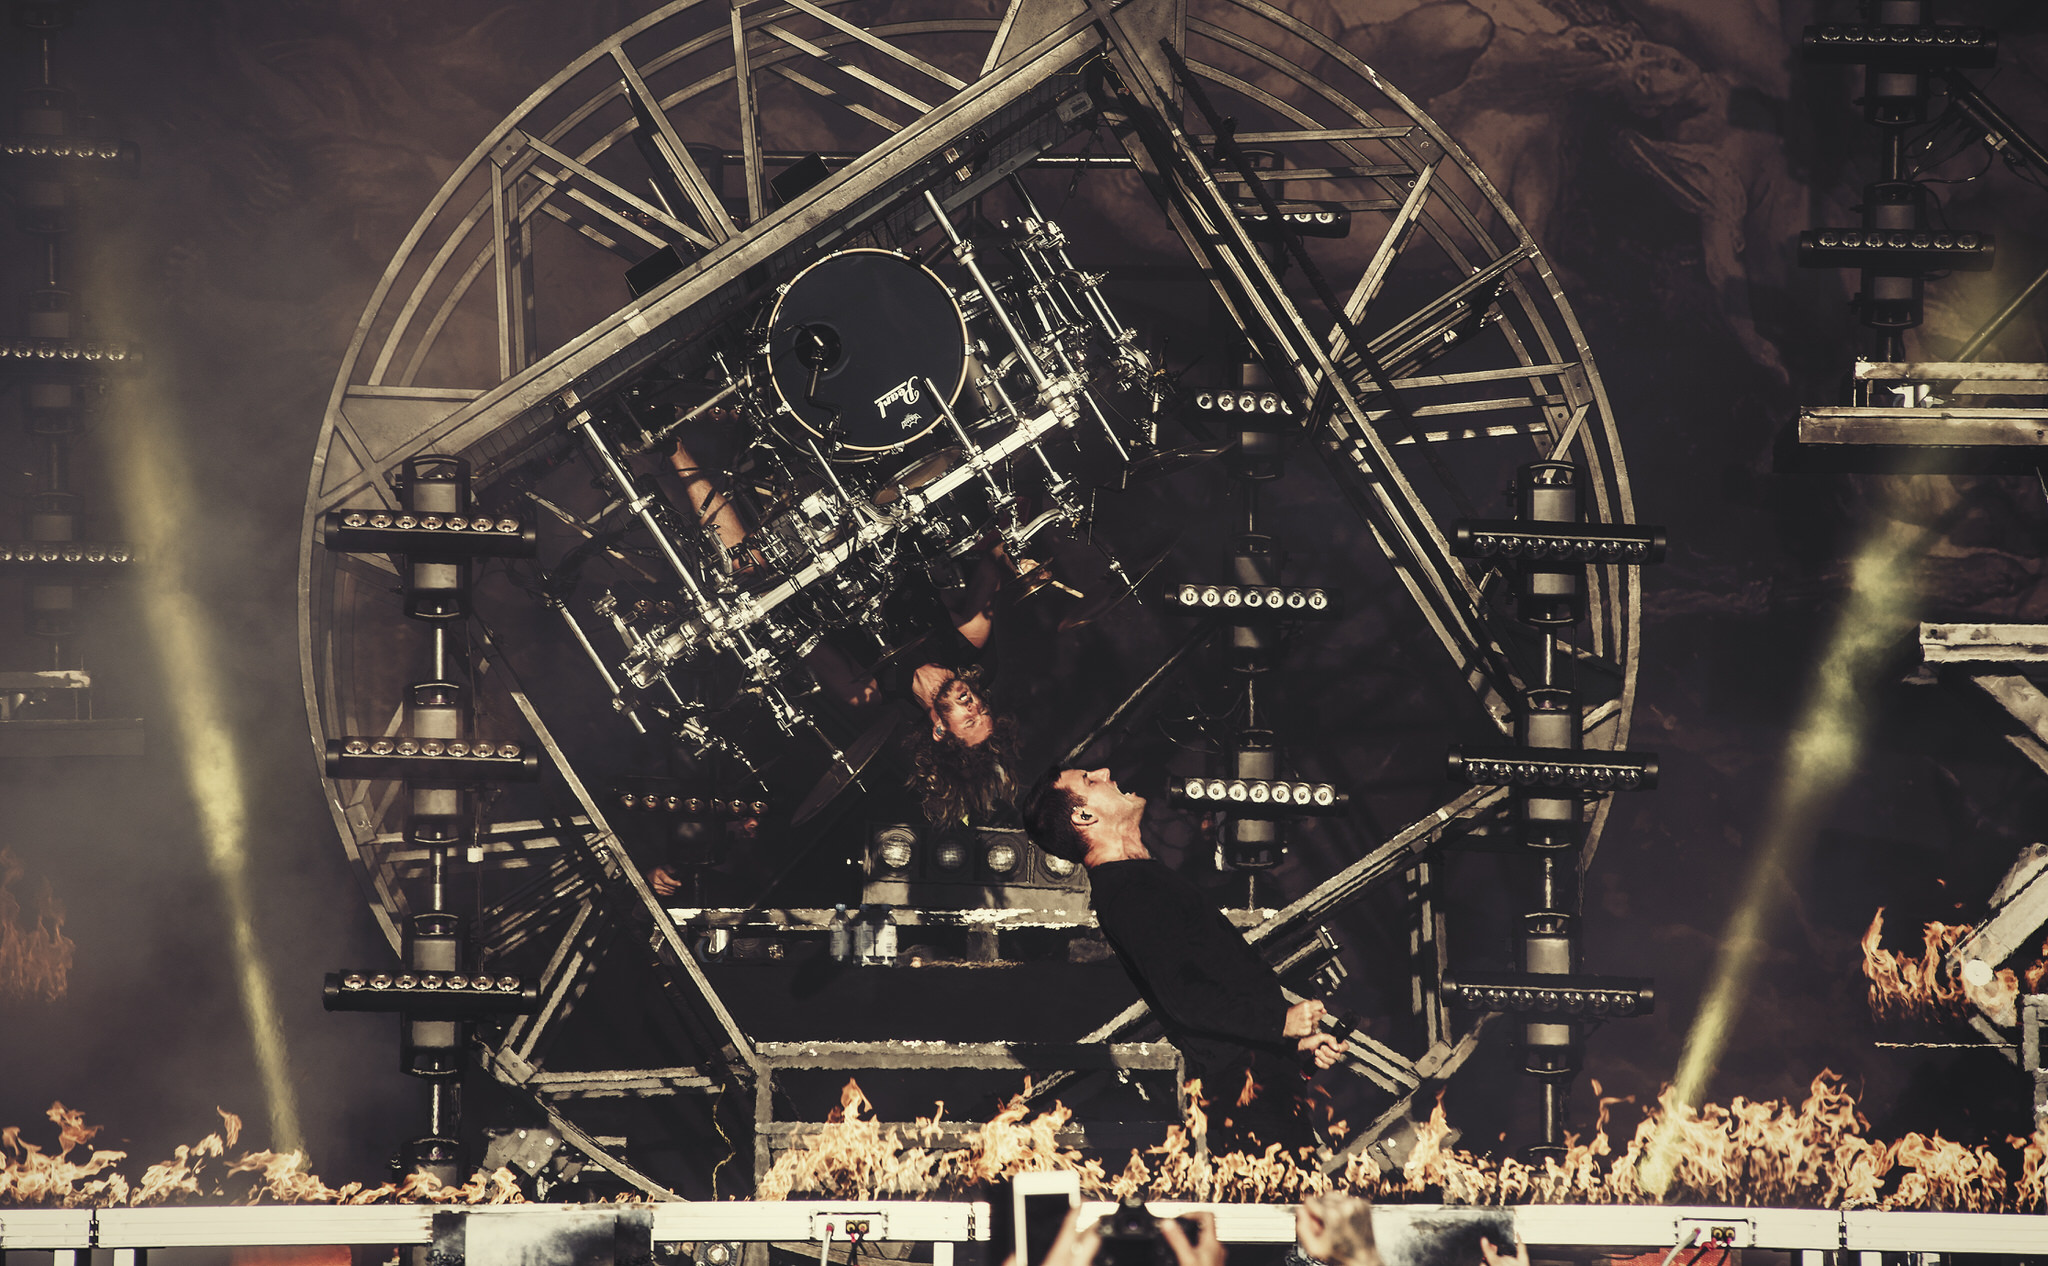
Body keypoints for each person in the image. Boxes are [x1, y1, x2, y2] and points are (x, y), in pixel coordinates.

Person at [1021, 765, 1343, 1155]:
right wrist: (1280, 1023)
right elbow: (1185, 998)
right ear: (1085, 816)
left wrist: (1291, 1047)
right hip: (1244, 1099)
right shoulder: (1126, 891)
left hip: (1257, 1084)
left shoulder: (1140, 878)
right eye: (1090, 780)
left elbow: (1217, 984)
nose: (1105, 771)